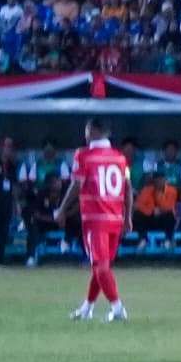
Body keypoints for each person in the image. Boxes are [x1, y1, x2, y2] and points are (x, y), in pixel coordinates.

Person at [68, 123, 132, 321]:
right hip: (115, 219)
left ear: (93, 132)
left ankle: (118, 309)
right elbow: (128, 187)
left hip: (95, 220)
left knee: (101, 267)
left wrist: (61, 209)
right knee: (101, 267)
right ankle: (87, 308)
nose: (85, 135)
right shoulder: (120, 157)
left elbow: (76, 184)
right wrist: (128, 216)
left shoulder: (83, 155)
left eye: (87, 131)